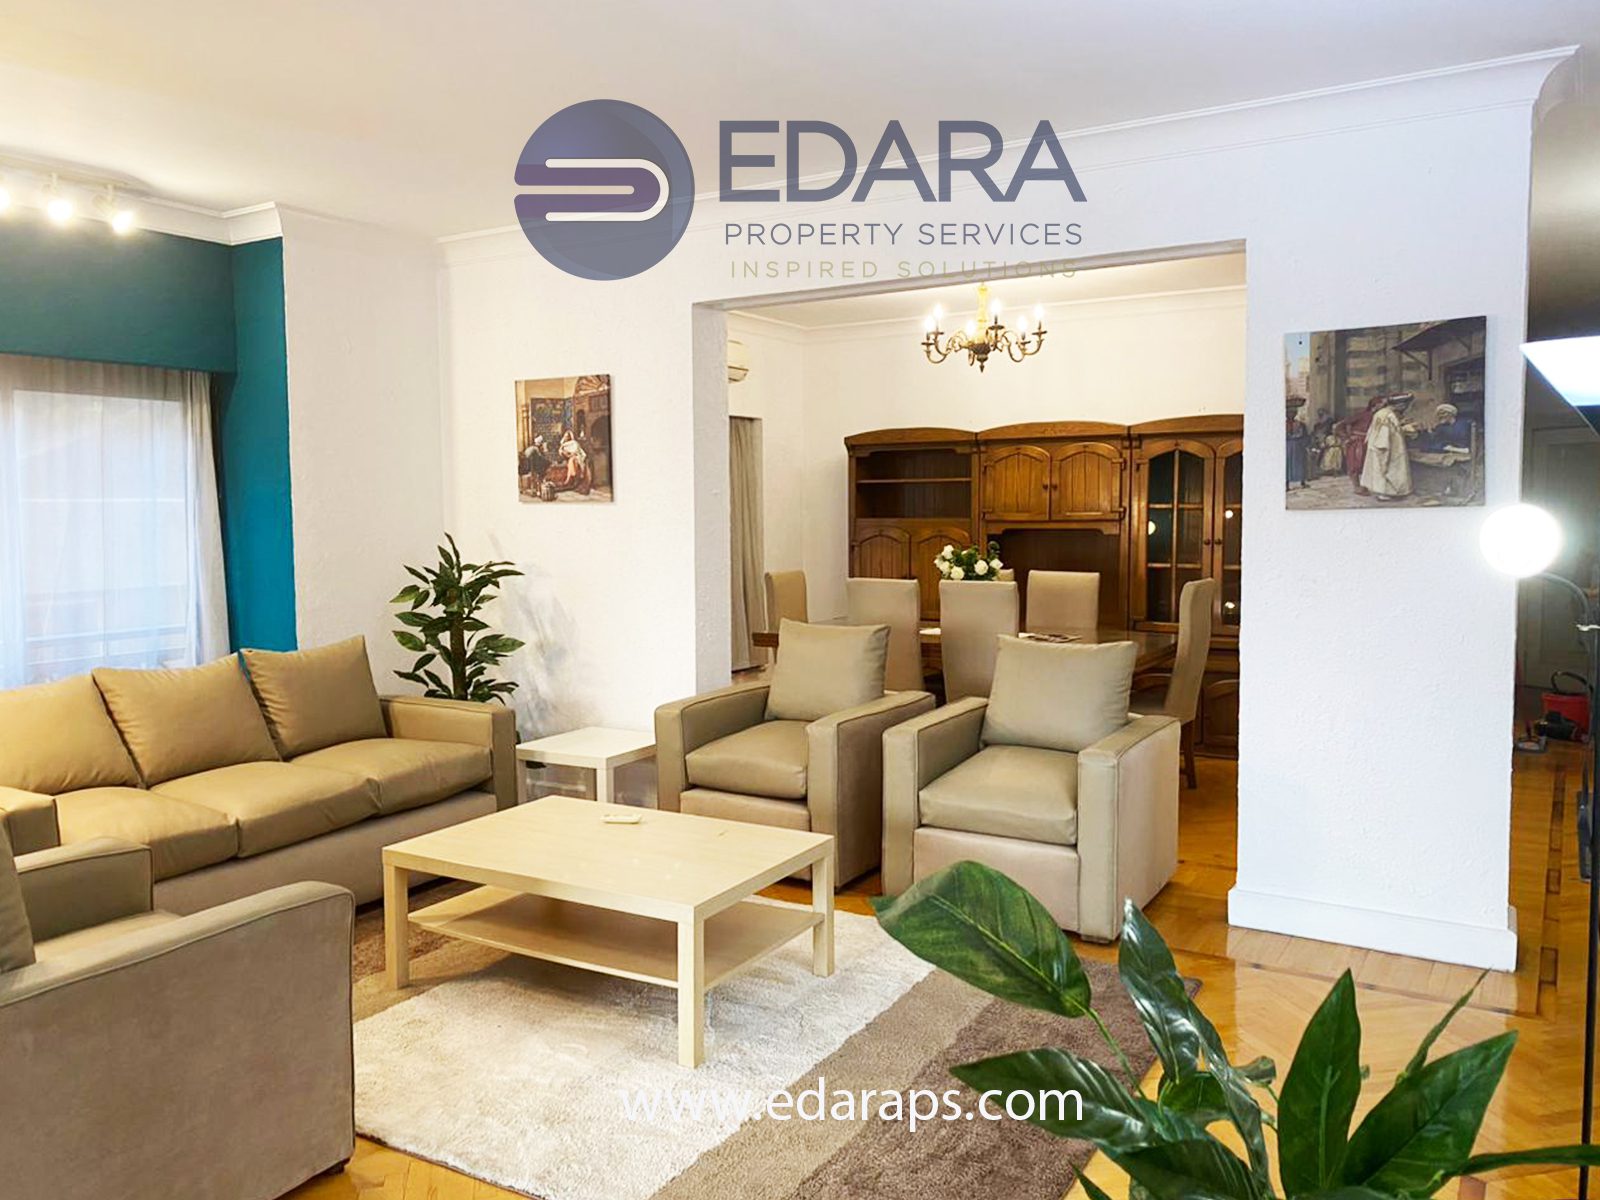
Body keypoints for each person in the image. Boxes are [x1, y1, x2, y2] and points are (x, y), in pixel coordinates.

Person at [1359, 394, 1414, 500]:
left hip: (1379, 445)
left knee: (1380, 470)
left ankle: (1385, 492)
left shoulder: (1381, 413)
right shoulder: (1389, 415)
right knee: (1387, 469)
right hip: (1386, 446)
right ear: (1400, 405)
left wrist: (1401, 426)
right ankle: (1385, 493)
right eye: (1404, 406)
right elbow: (1385, 433)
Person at [1337, 398, 1383, 496]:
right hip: (1357, 443)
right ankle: (1357, 487)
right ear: (1375, 405)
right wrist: (1347, 437)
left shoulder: (1378, 416)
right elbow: (1342, 425)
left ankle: (1365, 486)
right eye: (1381, 404)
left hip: (1369, 442)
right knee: (1355, 465)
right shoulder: (1363, 415)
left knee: (1367, 465)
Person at [1286, 398, 1311, 490]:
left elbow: (1305, 436)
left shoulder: (1301, 424)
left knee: (1300, 464)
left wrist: (1306, 444)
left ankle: (1302, 481)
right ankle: (1286, 484)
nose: (1291, 415)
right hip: (1287, 446)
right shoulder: (1282, 424)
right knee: (1287, 465)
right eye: (1289, 413)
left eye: (1293, 413)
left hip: (1298, 446)